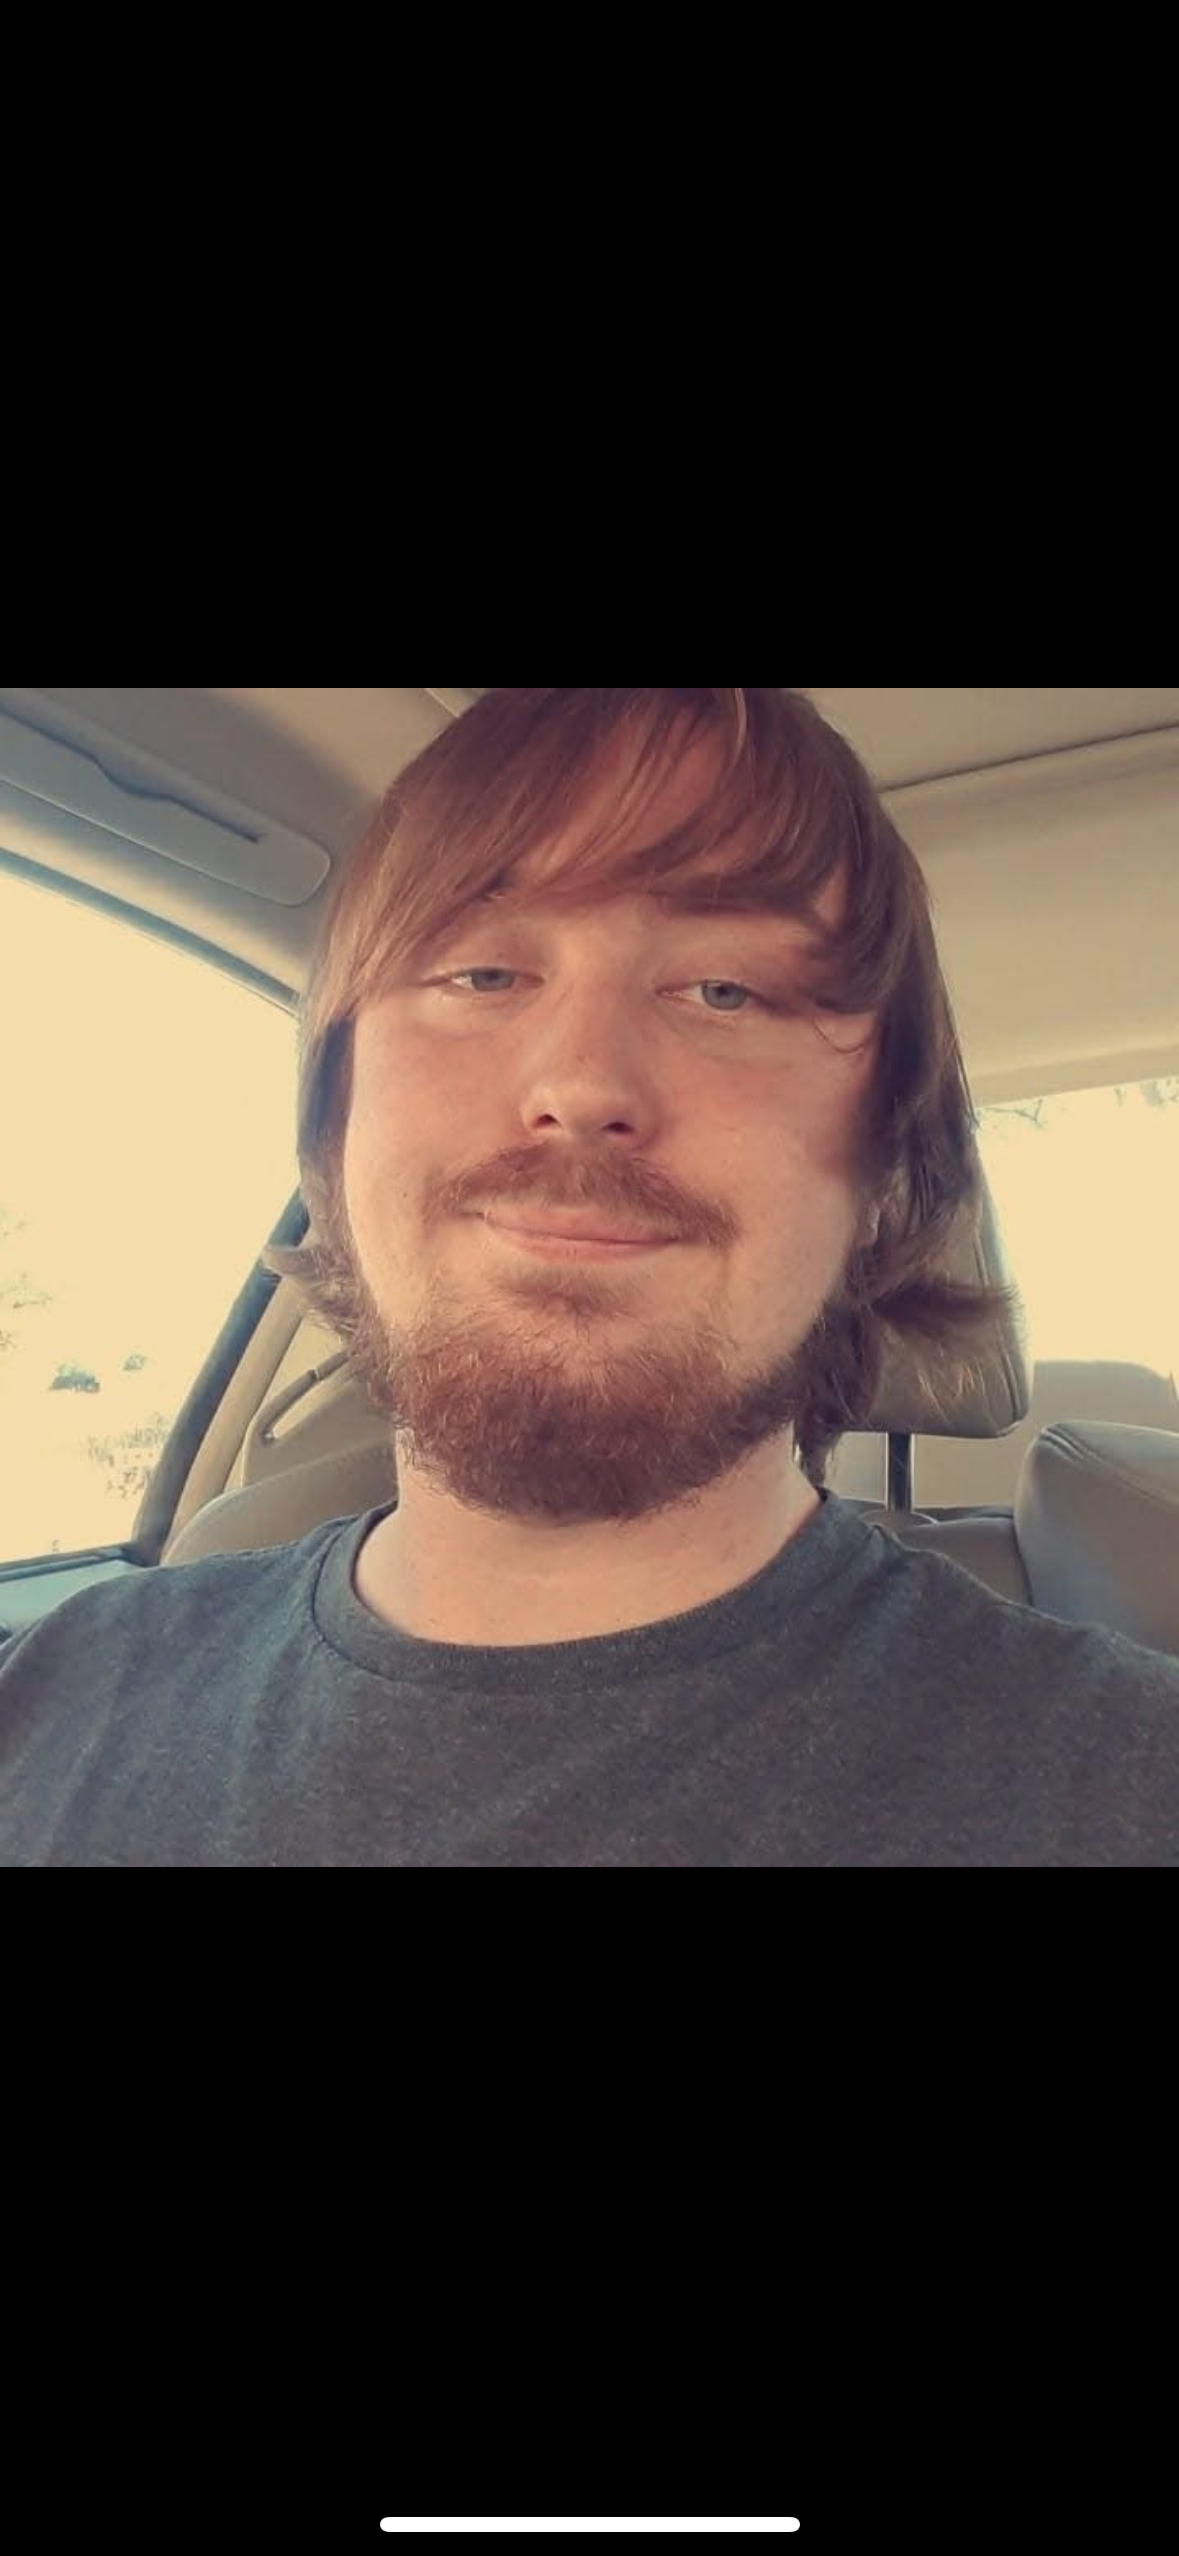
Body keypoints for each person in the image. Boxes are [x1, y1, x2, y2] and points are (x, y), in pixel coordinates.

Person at [2, 685, 1178, 1868]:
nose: (581, 1084)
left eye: (725, 990)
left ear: (882, 1170)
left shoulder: (1130, 1785)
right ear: (335, 1116)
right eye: (481, 975)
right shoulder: (50, 1693)